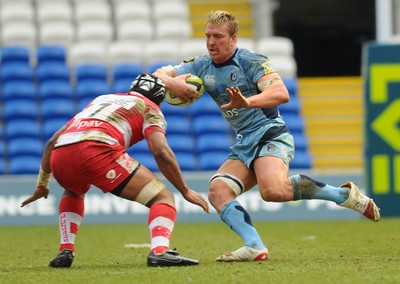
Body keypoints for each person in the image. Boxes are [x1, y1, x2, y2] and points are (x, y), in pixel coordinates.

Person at [153, 10, 381, 262]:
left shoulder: (251, 61)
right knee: (217, 192)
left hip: (271, 133)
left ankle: (344, 195)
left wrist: (247, 102)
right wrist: (171, 83)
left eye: (218, 36)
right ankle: (254, 246)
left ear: (233, 39)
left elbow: (281, 92)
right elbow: (159, 74)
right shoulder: (200, 65)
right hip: (244, 141)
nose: (211, 42)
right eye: (208, 36)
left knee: (271, 191)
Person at [20, 73, 209, 268]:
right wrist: (184, 189)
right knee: (163, 197)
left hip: (61, 152)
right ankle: (160, 251)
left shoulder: (101, 99)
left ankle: (66, 250)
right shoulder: (150, 108)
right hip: (97, 148)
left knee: (74, 190)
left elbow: (52, 141)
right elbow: (160, 151)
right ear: (161, 98)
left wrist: (42, 185)